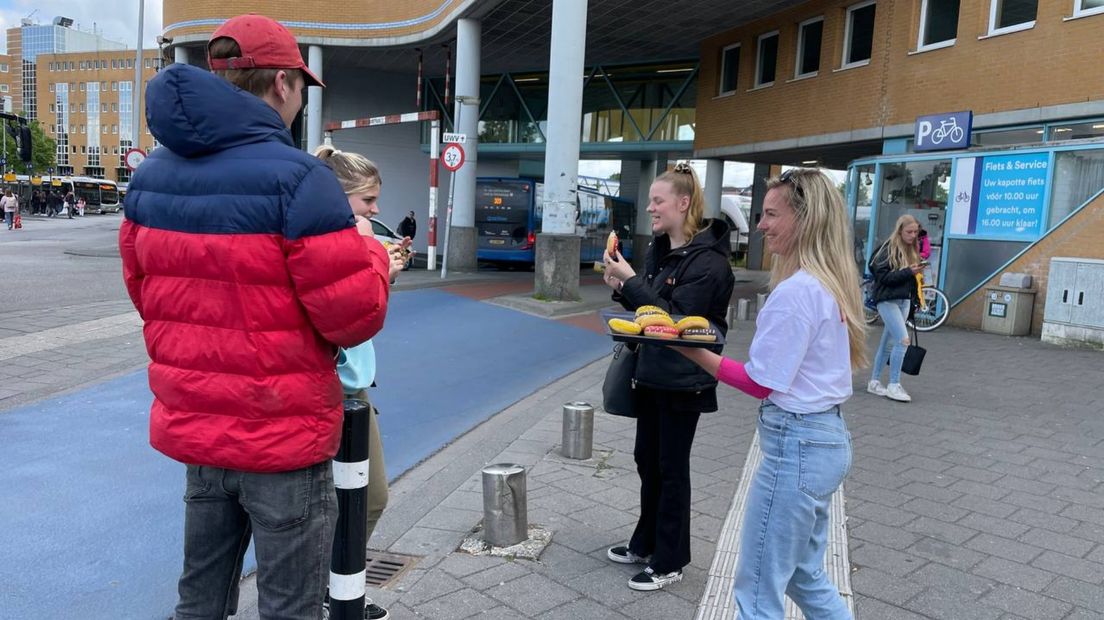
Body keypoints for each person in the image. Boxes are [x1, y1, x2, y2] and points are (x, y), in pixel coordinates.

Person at [118, 14, 392, 620]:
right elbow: (352, 320)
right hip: (283, 439)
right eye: (300, 88)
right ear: (281, 85)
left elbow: (149, 298)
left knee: (199, 599)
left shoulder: (151, 177)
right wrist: (372, 255)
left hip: (201, 436)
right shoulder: (299, 179)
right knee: (290, 607)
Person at [674, 168, 866, 619]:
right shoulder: (831, 284)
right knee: (803, 574)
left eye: (771, 215)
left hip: (795, 447)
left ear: (806, 219)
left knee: (757, 589)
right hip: (825, 440)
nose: (759, 225)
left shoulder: (796, 292)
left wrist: (690, 349)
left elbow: (761, 381)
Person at [600, 162, 735, 591]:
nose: (650, 209)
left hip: (685, 379)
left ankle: (671, 558)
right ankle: (645, 541)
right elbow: (645, 315)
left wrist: (632, 282)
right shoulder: (659, 251)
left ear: (683, 202)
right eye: (651, 201)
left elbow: (675, 322)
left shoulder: (710, 262)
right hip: (652, 373)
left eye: (657, 201)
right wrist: (622, 287)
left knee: (671, 468)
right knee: (647, 461)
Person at [315, 144, 411, 620]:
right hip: (334, 391)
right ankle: (328, 592)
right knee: (362, 501)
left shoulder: (339, 238)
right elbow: (349, 321)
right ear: (340, 197)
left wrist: (381, 271)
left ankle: (333, 590)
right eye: (367, 200)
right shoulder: (328, 241)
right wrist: (374, 262)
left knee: (358, 501)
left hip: (348, 389)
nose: (375, 210)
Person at [867, 214, 924, 403]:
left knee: (888, 343)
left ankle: (874, 382)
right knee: (903, 340)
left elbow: (910, 280)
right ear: (900, 230)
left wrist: (915, 299)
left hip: (903, 300)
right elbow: (883, 277)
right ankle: (894, 384)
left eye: (915, 232)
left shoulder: (911, 249)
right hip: (888, 300)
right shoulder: (887, 248)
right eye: (909, 232)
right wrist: (909, 271)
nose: (913, 235)